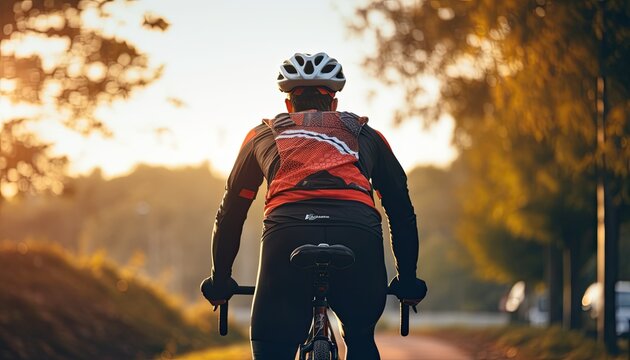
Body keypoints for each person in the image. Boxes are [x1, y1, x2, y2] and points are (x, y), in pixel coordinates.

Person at [201, 52, 427, 360]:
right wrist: (408, 278)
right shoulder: (367, 134)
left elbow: (231, 212)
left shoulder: (261, 135)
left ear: (288, 105)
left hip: (287, 234)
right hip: (358, 233)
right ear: (334, 104)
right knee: (361, 337)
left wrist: (221, 277)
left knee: (272, 347)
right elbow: (401, 211)